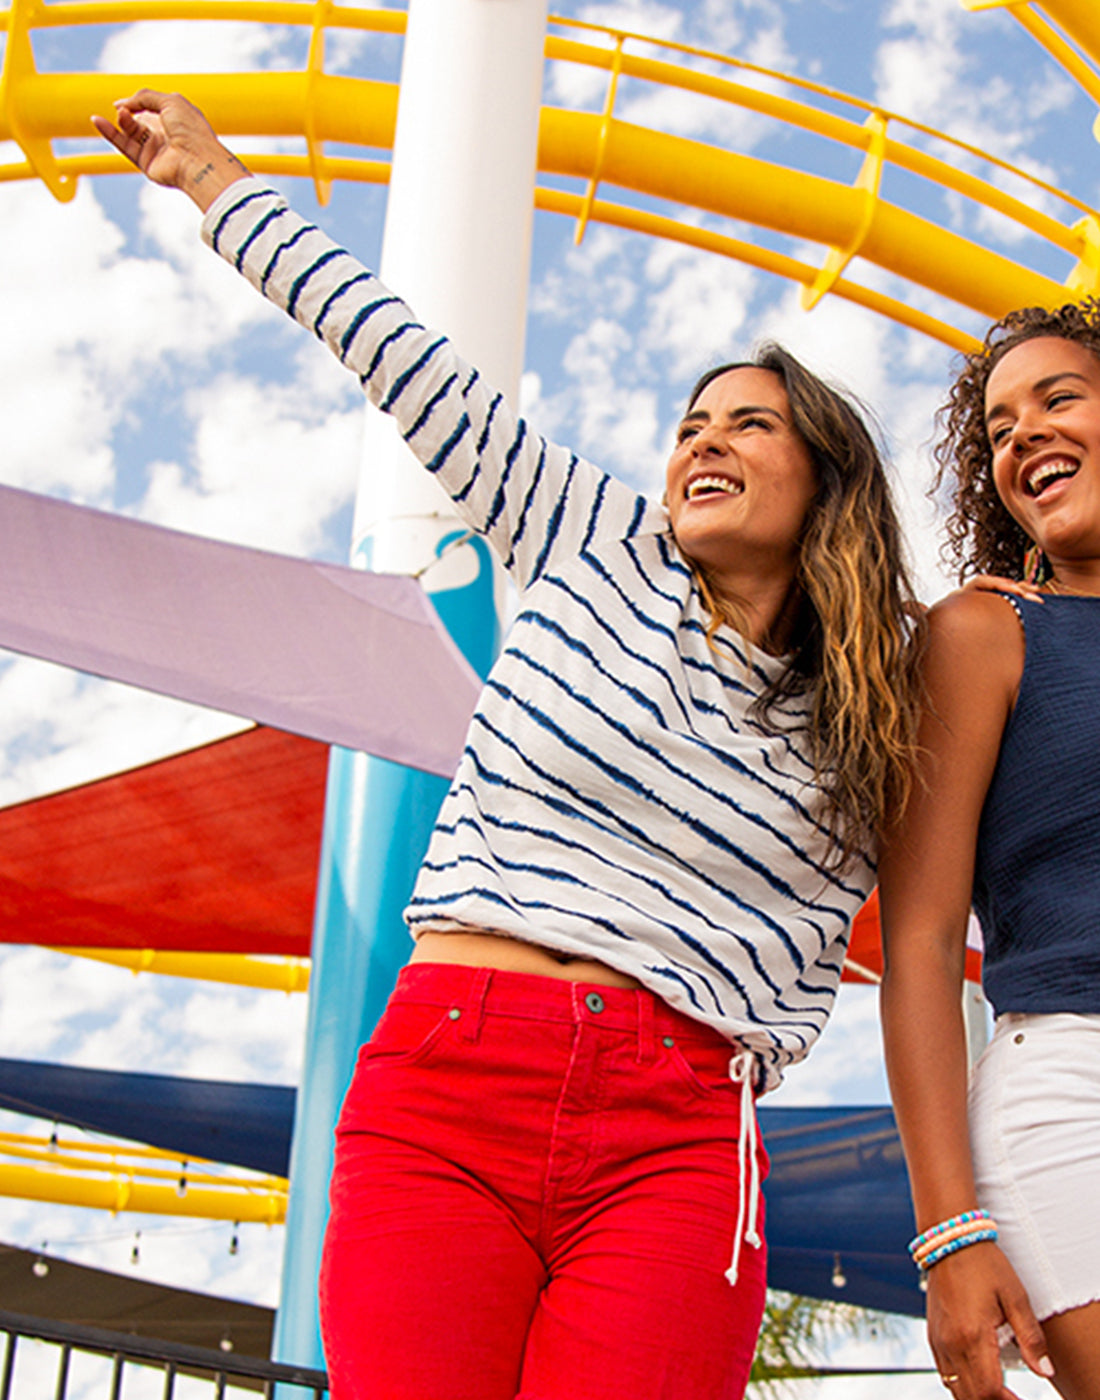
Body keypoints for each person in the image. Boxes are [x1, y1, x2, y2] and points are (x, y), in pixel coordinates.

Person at [94, 91, 924, 1400]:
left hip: (680, 1130)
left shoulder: (898, 699)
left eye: (748, 423)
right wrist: (219, 187)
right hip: (449, 1076)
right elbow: (408, 361)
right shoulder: (594, 541)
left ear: (828, 475)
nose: (703, 437)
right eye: (690, 424)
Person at [879, 301, 1100, 1400]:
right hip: (1073, 1090)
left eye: (1056, 398)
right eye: (998, 428)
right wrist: (947, 1230)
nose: (1022, 437)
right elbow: (917, 936)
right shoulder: (984, 633)